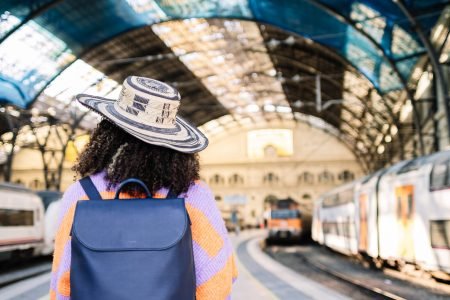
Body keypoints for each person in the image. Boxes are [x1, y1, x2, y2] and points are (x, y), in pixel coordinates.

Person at [50, 76, 237, 299]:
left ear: (108, 133)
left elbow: (62, 280)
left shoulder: (81, 193)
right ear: (173, 142)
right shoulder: (194, 194)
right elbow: (219, 277)